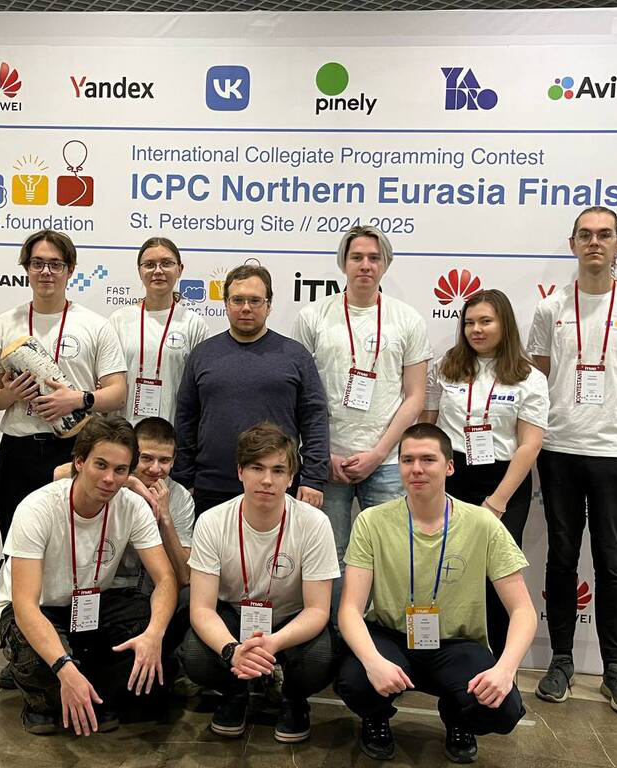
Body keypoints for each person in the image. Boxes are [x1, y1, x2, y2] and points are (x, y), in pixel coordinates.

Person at [527, 206, 617, 714]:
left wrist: (612, 421)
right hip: (560, 449)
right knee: (561, 558)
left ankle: (615, 671)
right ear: (573, 244)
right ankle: (561, 662)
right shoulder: (550, 309)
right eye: (585, 235)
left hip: (616, 452)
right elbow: (540, 377)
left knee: (612, 562)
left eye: (604, 235)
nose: (594, 243)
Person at [336, 423, 535, 763]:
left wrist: (504, 670)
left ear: (449, 466)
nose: (416, 469)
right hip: (392, 637)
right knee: (356, 681)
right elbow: (350, 611)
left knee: (503, 710)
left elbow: (523, 611)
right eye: (407, 460)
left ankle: (458, 717)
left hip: (457, 645)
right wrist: (373, 662)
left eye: (428, 459)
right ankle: (376, 717)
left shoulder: (483, 523)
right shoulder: (372, 521)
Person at [0, 230, 129, 689]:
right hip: (19, 449)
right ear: (26, 268)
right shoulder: (3, 323)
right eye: (38, 263)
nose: (46, 272)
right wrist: (10, 393)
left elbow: (117, 392)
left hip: (76, 451)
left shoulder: (94, 325)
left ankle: (72, 648)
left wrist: (78, 399)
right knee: (20, 551)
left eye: (56, 264)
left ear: (70, 270)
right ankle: (23, 651)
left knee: (73, 555)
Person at [0, 416, 178, 736]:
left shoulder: (132, 506)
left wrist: (154, 635)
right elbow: (24, 605)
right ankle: (48, 698)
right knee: (38, 658)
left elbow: (166, 579)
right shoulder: (37, 508)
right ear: (79, 462)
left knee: (160, 626)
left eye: (120, 470)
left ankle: (86, 690)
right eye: (100, 465)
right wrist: (64, 669)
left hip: (89, 609)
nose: (109, 478)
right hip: (38, 610)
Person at [292, 225, 431, 611]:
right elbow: (298, 394)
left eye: (374, 258)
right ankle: (333, 633)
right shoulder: (313, 316)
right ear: (343, 263)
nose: (365, 265)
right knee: (328, 556)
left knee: (391, 553)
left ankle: (383, 633)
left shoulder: (408, 320)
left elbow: (415, 397)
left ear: (385, 264)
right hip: (326, 462)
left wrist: (378, 453)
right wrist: (321, 455)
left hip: (386, 463)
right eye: (357, 257)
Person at [182, 423, 340, 743]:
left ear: (291, 477)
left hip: (291, 619)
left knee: (321, 659)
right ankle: (235, 693)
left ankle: (294, 699)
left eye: (278, 470)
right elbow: (201, 608)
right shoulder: (212, 521)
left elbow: (317, 609)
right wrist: (232, 651)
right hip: (234, 615)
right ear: (240, 471)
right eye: (257, 468)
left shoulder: (314, 523)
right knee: (196, 656)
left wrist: (273, 643)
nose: (267, 480)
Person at [421, 288, 547, 657]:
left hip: (504, 482)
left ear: (504, 324)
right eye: (470, 322)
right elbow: (428, 425)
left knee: (498, 576)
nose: (476, 329)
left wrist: (497, 502)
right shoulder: (446, 366)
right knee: (445, 568)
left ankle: (498, 662)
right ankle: (443, 656)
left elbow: (529, 445)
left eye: (486, 321)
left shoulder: (529, 377)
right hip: (451, 477)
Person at [173, 264, 329, 516]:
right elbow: (185, 421)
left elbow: (315, 420)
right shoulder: (202, 355)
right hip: (211, 488)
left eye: (255, 300)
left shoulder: (295, 356)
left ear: (269, 305)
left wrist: (313, 478)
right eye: (238, 300)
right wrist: (183, 478)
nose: (246, 307)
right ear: (226, 304)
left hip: (277, 487)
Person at [111, 416, 194, 674]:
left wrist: (165, 517)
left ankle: (165, 660)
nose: (155, 468)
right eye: (146, 458)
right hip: (109, 591)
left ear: (174, 460)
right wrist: (130, 482)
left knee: (192, 596)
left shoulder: (180, 496)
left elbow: (185, 575)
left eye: (164, 460)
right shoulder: (110, 481)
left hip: (155, 592)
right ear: (132, 454)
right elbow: (59, 473)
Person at [108, 237, 209, 425]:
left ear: (180, 269)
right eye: (149, 265)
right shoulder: (119, 320)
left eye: (166, 263)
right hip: (122, 432)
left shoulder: (194, 324)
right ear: (139, 271)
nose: (158, 271)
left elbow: (199, 389)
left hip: (171, 433)